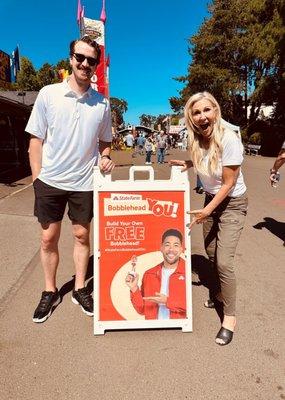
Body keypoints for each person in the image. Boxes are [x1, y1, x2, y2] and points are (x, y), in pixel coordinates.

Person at [26, 36, 115, 323]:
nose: (85, 64)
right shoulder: (48, 94)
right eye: (80, 57)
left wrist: (104, 156)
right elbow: (35, 140)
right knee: (48, 237)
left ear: (96, 67)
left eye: (91, 60)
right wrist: (38, 179)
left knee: (81, 235)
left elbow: (105, 142)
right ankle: (50, 291)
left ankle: (79, 288)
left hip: (84, 182)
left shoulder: (102, 104)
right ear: (71, 58)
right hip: (50, 181)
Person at [170, 91, 248, 345]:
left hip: (232, 203)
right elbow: (205, 160)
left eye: (207, 110)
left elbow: (228, 183)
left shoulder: (229, 138)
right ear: (191, 118)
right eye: (196, 112)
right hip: (211, 201)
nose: (202, 116)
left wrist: (207, 211)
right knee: (211, 251)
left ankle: (230, 317)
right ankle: (218, 292)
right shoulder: (196, 139)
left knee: (224, 261)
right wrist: (188, 165)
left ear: (215, 111)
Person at [125, 229, 186, 320]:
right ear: (161, 248)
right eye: (167, 245)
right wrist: (134, 289)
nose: (171, 249)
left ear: (182, 249)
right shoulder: (149, 274)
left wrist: (167, 301)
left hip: (179, 329)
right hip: (154, 330)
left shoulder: (187, 272)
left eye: (176, 245)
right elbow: (142, 310)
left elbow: (191, 306)